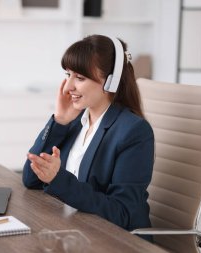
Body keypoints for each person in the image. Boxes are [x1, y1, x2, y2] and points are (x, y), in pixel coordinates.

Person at [22, 34, 154, 241]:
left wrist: (58, 179)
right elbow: (30, 180)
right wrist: (60, 120)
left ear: (111, 81)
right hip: (73, 232)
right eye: (68, 75)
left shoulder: (134, 132)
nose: (67, 87)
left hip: (114, 241)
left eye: (80, 78)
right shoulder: (75, 120)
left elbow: (122, 214)